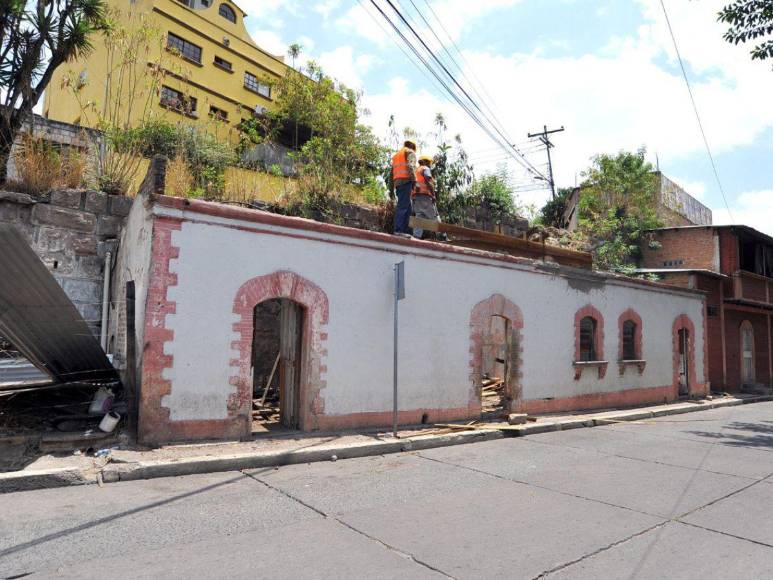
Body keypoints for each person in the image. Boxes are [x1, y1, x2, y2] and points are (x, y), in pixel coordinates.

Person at [411, 154, 442, 239]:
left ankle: (416, 237)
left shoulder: (416, 170)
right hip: (425, 196)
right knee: (434, 216)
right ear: (424, 162)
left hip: (416, 198)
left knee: (419, 218)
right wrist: (433, 195)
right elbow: (429, 182)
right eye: (428, 162)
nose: (429, 164)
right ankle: (442, 236)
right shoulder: (425, 169)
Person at [391, 140, 417, 235]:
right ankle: (398, 230)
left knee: (408, 208)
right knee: (403, 206)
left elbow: (391, 173)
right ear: (412, 147)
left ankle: (407, 231)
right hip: (406, 181)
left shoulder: (397, 155)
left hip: (398, 182)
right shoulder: (410, 152)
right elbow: (411, 167)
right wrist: (414, 181)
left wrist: (391, 189)